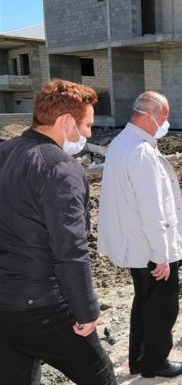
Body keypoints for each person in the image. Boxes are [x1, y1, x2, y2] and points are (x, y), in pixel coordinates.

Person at [0, 79, 116, 385]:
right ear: (66, 122)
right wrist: (86, 311)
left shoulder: (6, 152)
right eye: (87, 126)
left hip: (5, 307)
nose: (90, 134)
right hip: (43, 307)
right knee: (101, 377)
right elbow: (70, 249)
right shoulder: (60, 169)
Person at [97, 91, 182, 379]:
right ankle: (154, 362)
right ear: (150, 116)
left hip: (135, 247)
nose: (165, 123)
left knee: (143, 303)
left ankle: (139, 360)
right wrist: (162, 255)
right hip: (150, 249)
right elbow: (153, 211)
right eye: (164, 118)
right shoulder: (142, 153)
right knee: (162, 309)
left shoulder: (120, 144)